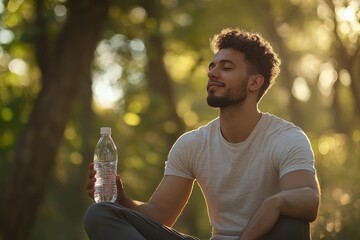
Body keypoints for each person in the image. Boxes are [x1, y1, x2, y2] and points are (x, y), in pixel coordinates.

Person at [84, 27, 320, 240]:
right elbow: (159, 217)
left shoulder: (286, 138)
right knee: (100, 214)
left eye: (226, 68)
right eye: (212, 66)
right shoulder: (192, 144)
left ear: (254, 83)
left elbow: (309, 201)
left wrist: (275, 203)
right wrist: (122, 200)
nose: (213, 73)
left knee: (293, 224)